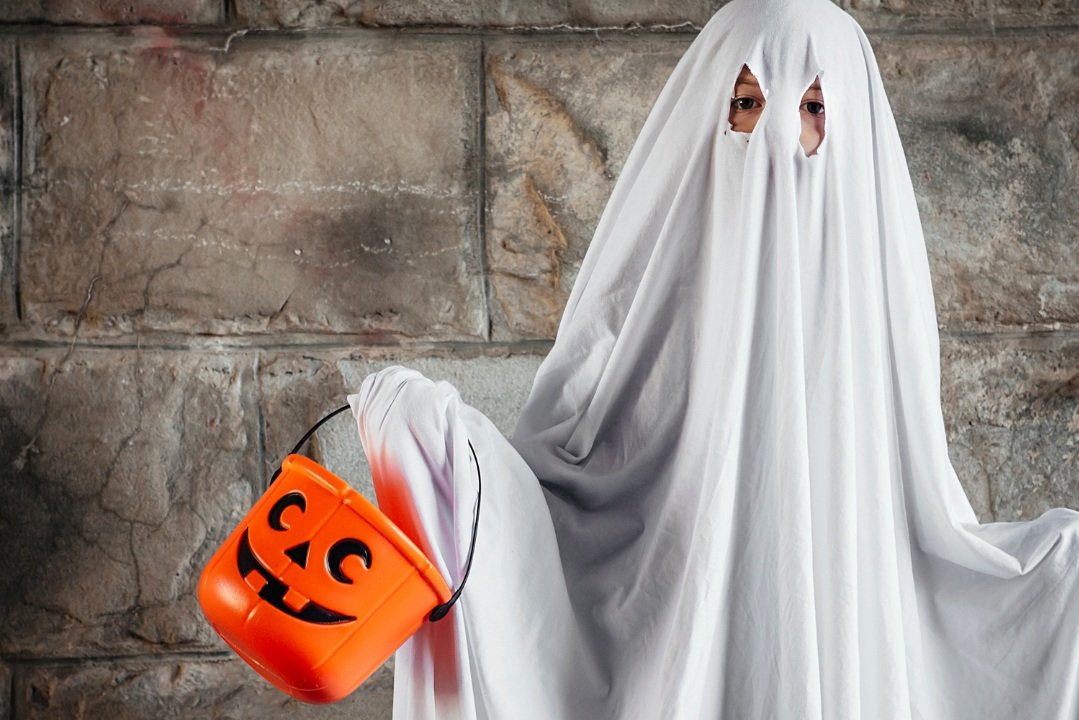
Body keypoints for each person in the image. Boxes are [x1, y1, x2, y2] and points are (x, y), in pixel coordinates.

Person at [350, 0, 1079, 717]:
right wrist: (441, 445)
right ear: (711, 114)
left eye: (813, 109)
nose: (773, 138)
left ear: (852, 131)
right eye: (747, 103)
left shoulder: (874, 313)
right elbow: (556, 498)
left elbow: (922, 528)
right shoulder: (651, 300)